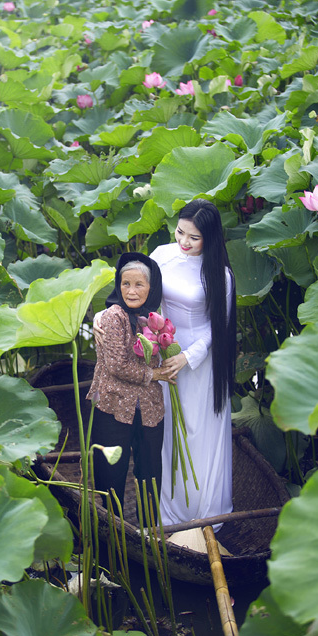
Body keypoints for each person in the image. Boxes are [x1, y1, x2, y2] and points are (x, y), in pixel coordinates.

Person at [94, 200, 236, 529]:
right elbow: (136, 290)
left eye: (194, 238)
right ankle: (167, 515)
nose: (184, 242)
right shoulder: (162, 254)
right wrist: (105, 313)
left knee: (197, 435)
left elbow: (218, 328)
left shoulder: (221, 276)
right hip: (158, 351)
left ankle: (201, 514)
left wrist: (187, 357)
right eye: (180, 232)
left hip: (199, 363)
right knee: (165, 433)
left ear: (210, 239)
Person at [87, 252, 170, 520]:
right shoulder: (113, 317)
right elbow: (117, 366)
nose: (131, 291)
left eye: (139, 285)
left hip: (148, 407)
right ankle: (113, 534)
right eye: (125, 284)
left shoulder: (153, 319)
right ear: (118, 285)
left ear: (151, 287)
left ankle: (149, 532)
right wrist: (155, 374)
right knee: (110, 475)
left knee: (150, 473)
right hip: (113, 406)